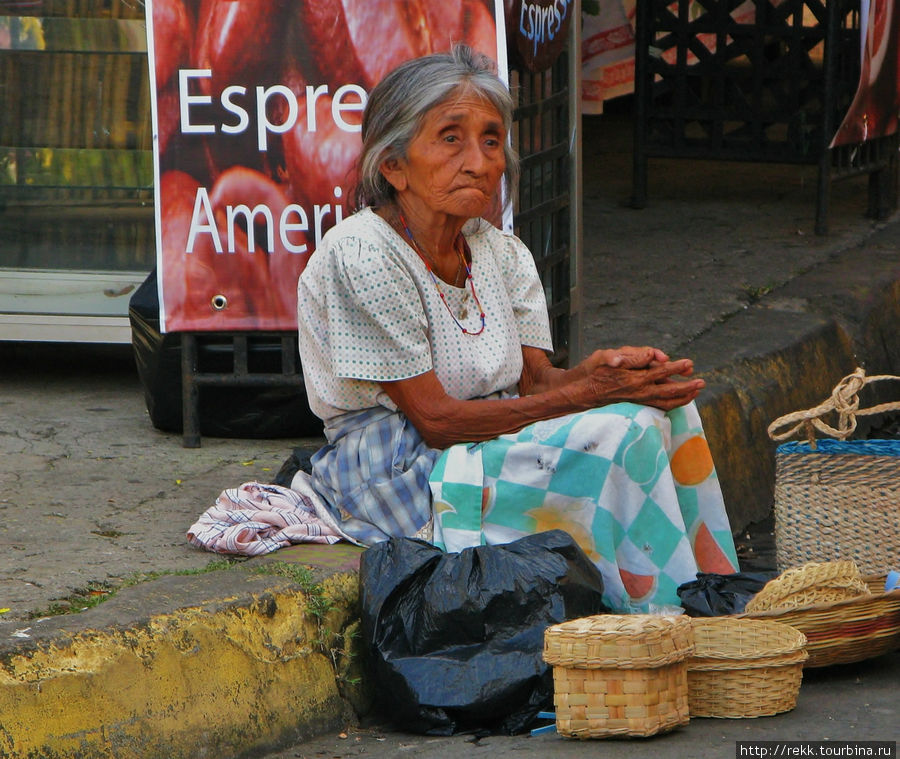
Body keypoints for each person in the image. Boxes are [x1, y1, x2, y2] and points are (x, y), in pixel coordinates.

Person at [296, 44, 738, 612]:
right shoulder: (362, 254)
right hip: (400, 470)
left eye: (491, 139)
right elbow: (434, 420)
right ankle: (661, 617)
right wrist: (588, 397)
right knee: (615, 436)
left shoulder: (498, 251)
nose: (479, 162)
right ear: (394, 165)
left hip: (486, 439)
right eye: (450, 138)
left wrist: (595, 375)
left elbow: (534, 384)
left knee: (662, 411)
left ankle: (706, 595)